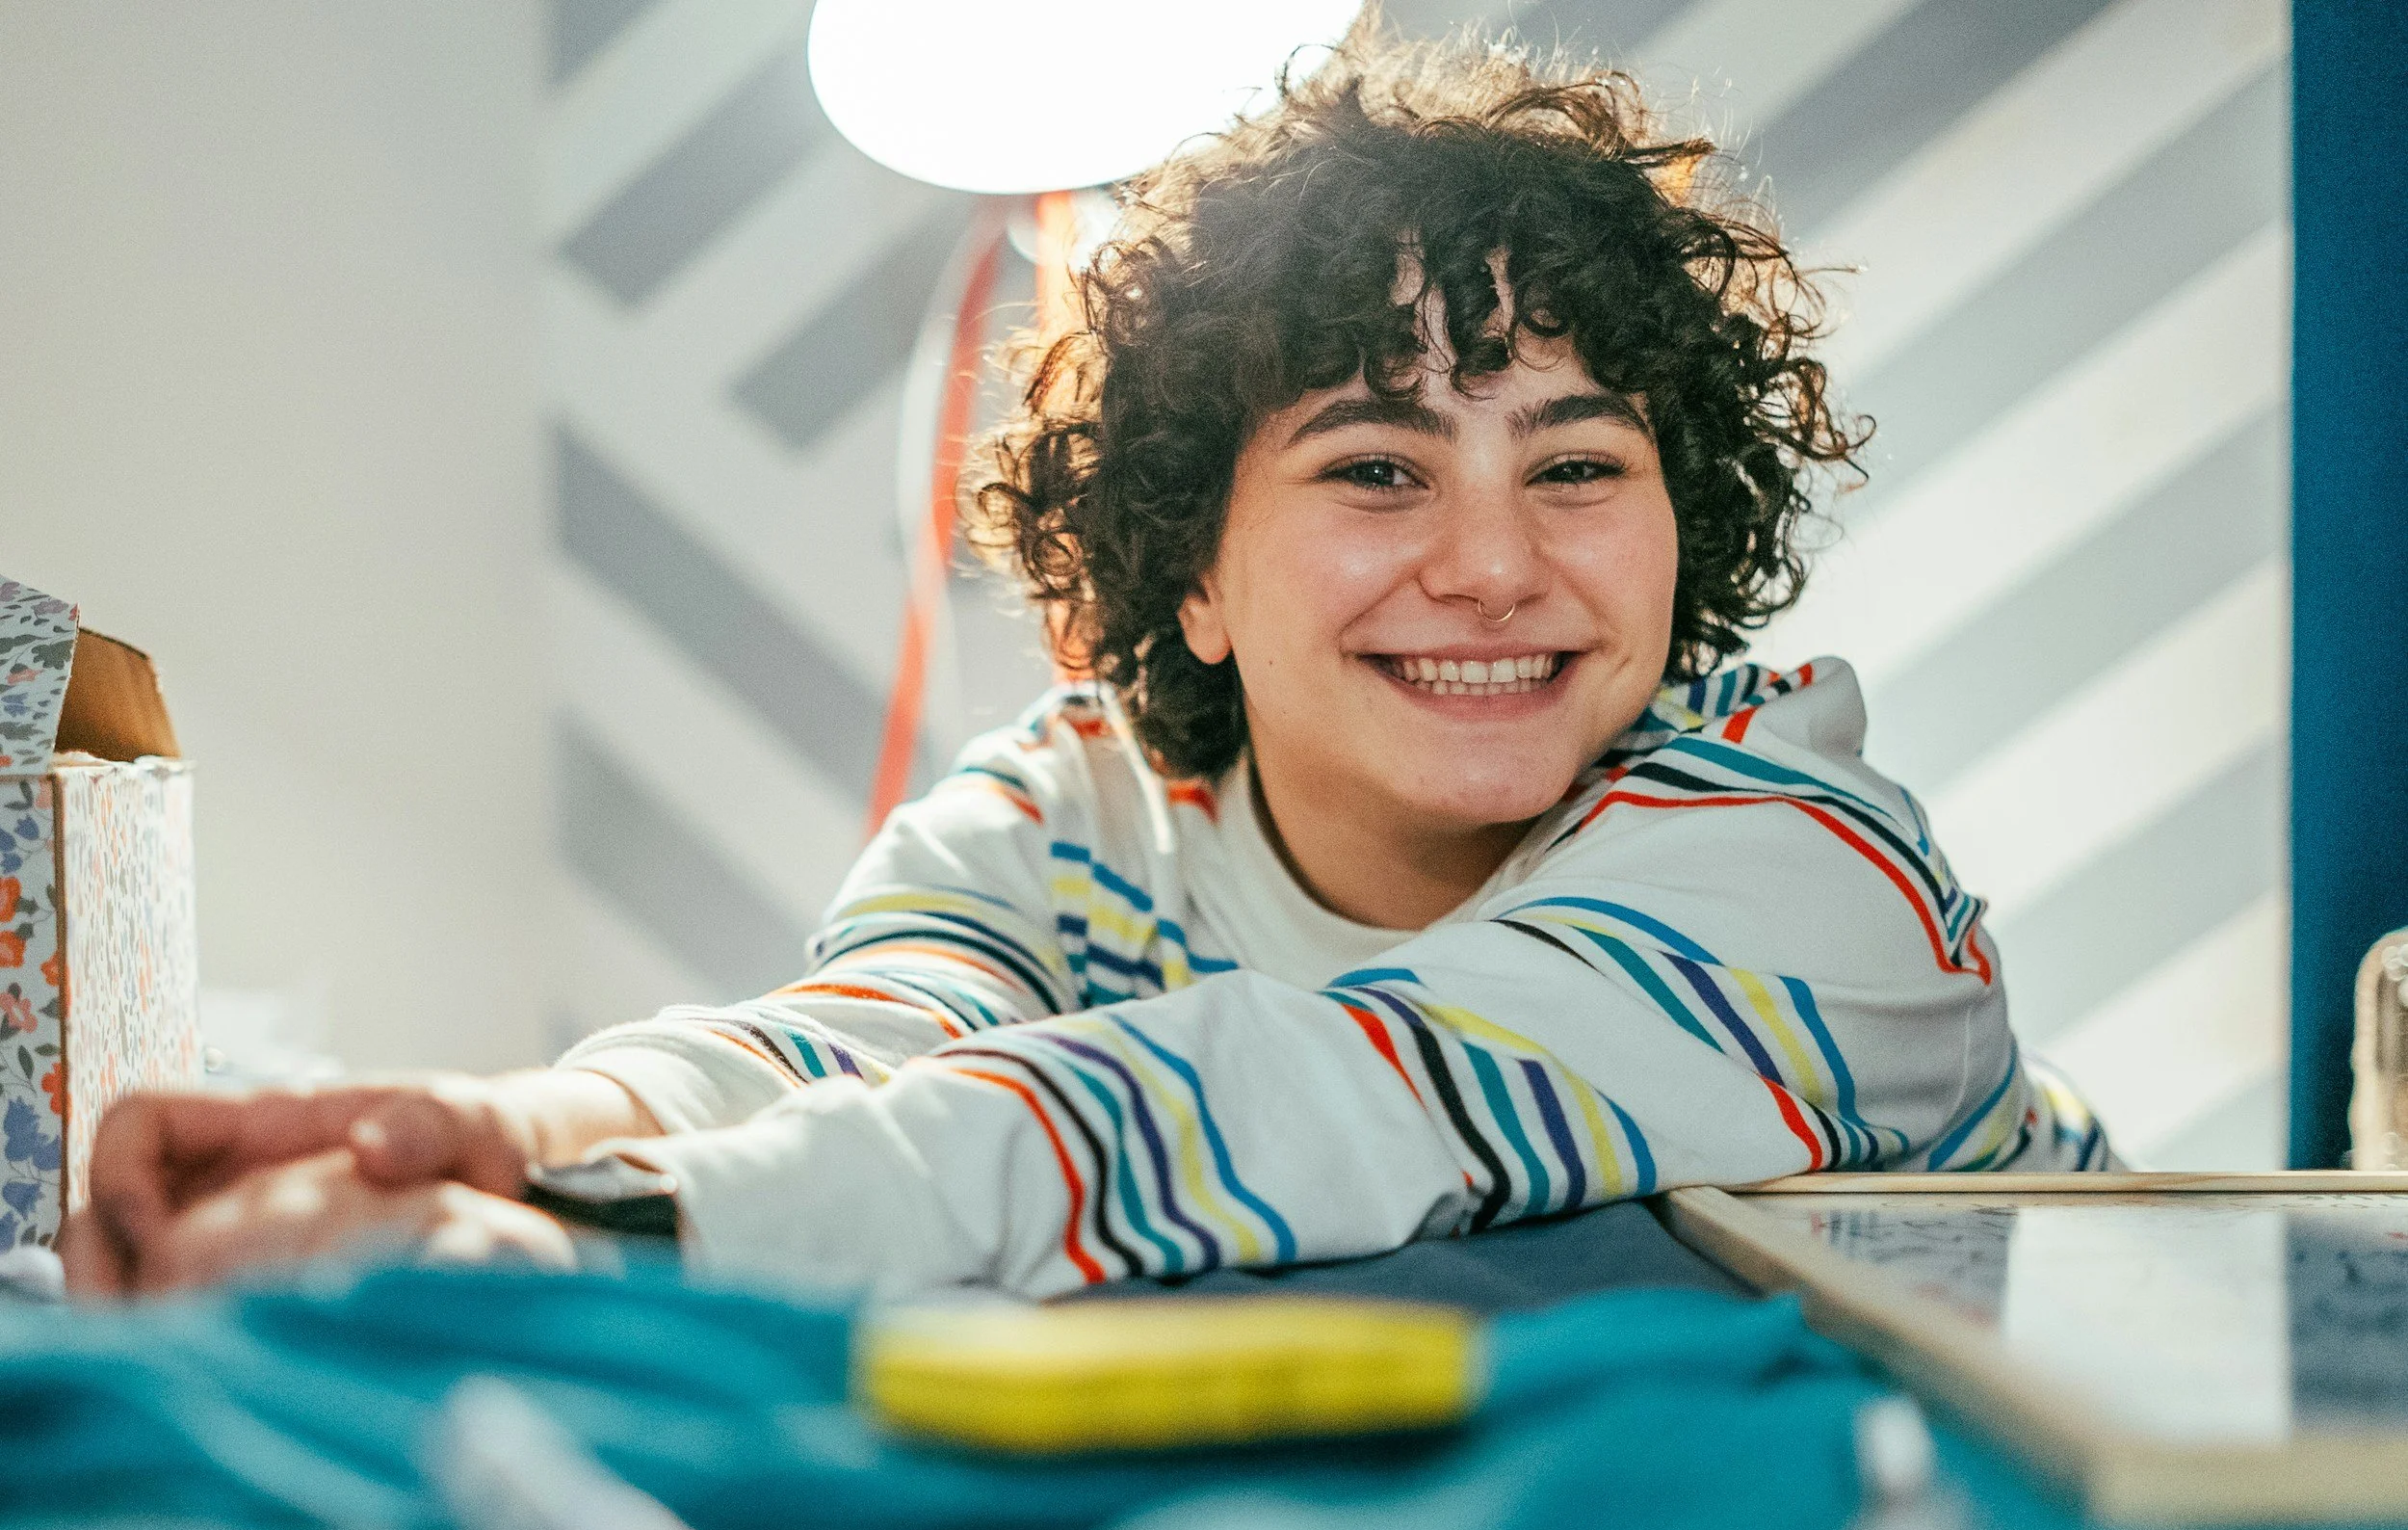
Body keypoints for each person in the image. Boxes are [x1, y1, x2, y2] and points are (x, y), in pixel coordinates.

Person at [63, 29, 2109, 1303]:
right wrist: (504, 1125)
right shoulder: (1069, 810)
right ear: (1190, 569)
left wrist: (601, 1237)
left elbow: (1309, 1093)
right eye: (1374, 464)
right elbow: (859, 1035)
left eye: (1577, 463)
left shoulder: (1807, 870)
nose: (1492, 564)